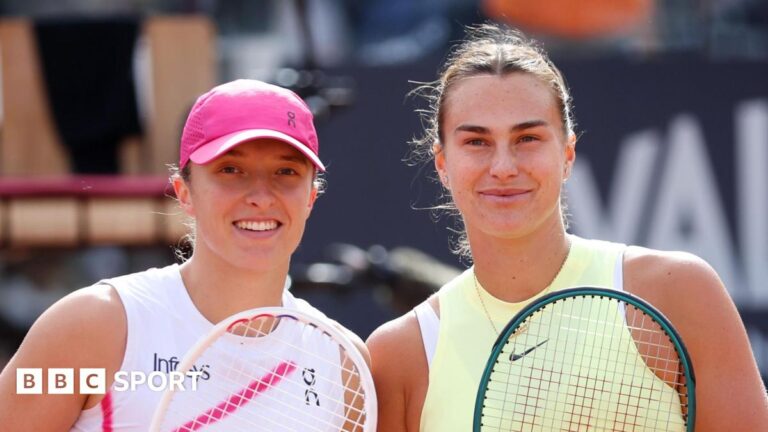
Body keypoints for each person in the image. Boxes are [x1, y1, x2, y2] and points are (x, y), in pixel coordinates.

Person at [366, 23, 768, 432]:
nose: (503, 167)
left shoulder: (679, 290)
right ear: (442, 164)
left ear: (568, 154)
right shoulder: (398, 356)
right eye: (476, 142)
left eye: (528, 138)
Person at [0, 79, 370, 430]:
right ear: (184, 193)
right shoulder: (94, 325)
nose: (261, 196)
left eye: (285, 171)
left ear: (310, 197)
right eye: (231, 169)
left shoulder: (343, 362)